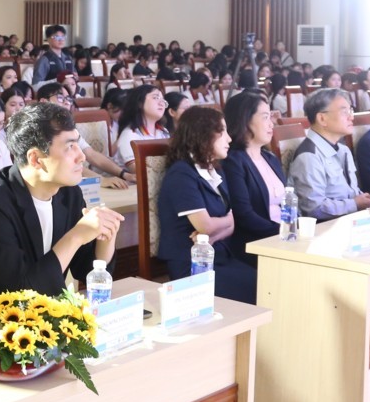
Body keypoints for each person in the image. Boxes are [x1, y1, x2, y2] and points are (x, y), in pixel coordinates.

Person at [0, 102, 123, 322]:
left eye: (77, 144)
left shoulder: (68, 193)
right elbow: (20, 294)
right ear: (35, 159)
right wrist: (76, 236)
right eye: (70, 147)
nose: (81, 156)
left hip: (39, 320)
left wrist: (106, 234)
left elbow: (87, 270)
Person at [157, 106, 257, 304]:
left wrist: (213, 235)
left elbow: (231, 225)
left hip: (219, 257)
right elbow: (205, 226)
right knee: (263, 287)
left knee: (269, 280)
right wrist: (222, 224)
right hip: (191, 267)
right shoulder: (181, 174)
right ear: (202, 134)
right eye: (222, 131)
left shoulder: (215, 171)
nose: (229, 139)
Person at [288, 89, 370, 220]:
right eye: (344, 112)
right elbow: (313, 209)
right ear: (322, 118)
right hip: (326, 227)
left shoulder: (343, 150)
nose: (351, 117)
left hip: (349, 220)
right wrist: (355, 204)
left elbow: (348, 192)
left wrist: (368, 198)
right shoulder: (309, 156)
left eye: (350, 111)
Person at [222, 91, 286, 261]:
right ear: (245, 120)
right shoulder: (233, 161)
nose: (271, 124)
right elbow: (244, 215)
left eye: (270, 117)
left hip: (284, 238)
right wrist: (283, 231)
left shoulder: (270, 158)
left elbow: (287, 202)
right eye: (265, 117)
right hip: (256, 243)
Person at [113, 85, 171, 173]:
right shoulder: (130, 135)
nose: (161, 103)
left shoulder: (163, 132)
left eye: (163, 100)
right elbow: (138, 171)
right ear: (139, 102)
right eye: (155, 98)